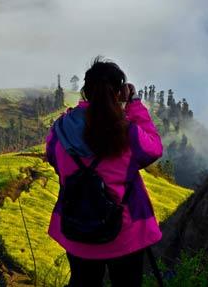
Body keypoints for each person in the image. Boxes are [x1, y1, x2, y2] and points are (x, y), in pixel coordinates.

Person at [46, 59, 164, 287]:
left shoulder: (60, 130)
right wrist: (135, 105)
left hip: (77, 228)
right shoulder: (128, 133)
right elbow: (154, 148)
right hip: (125, 232)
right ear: (120, 92)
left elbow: (53, 158)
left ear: (85, 91)